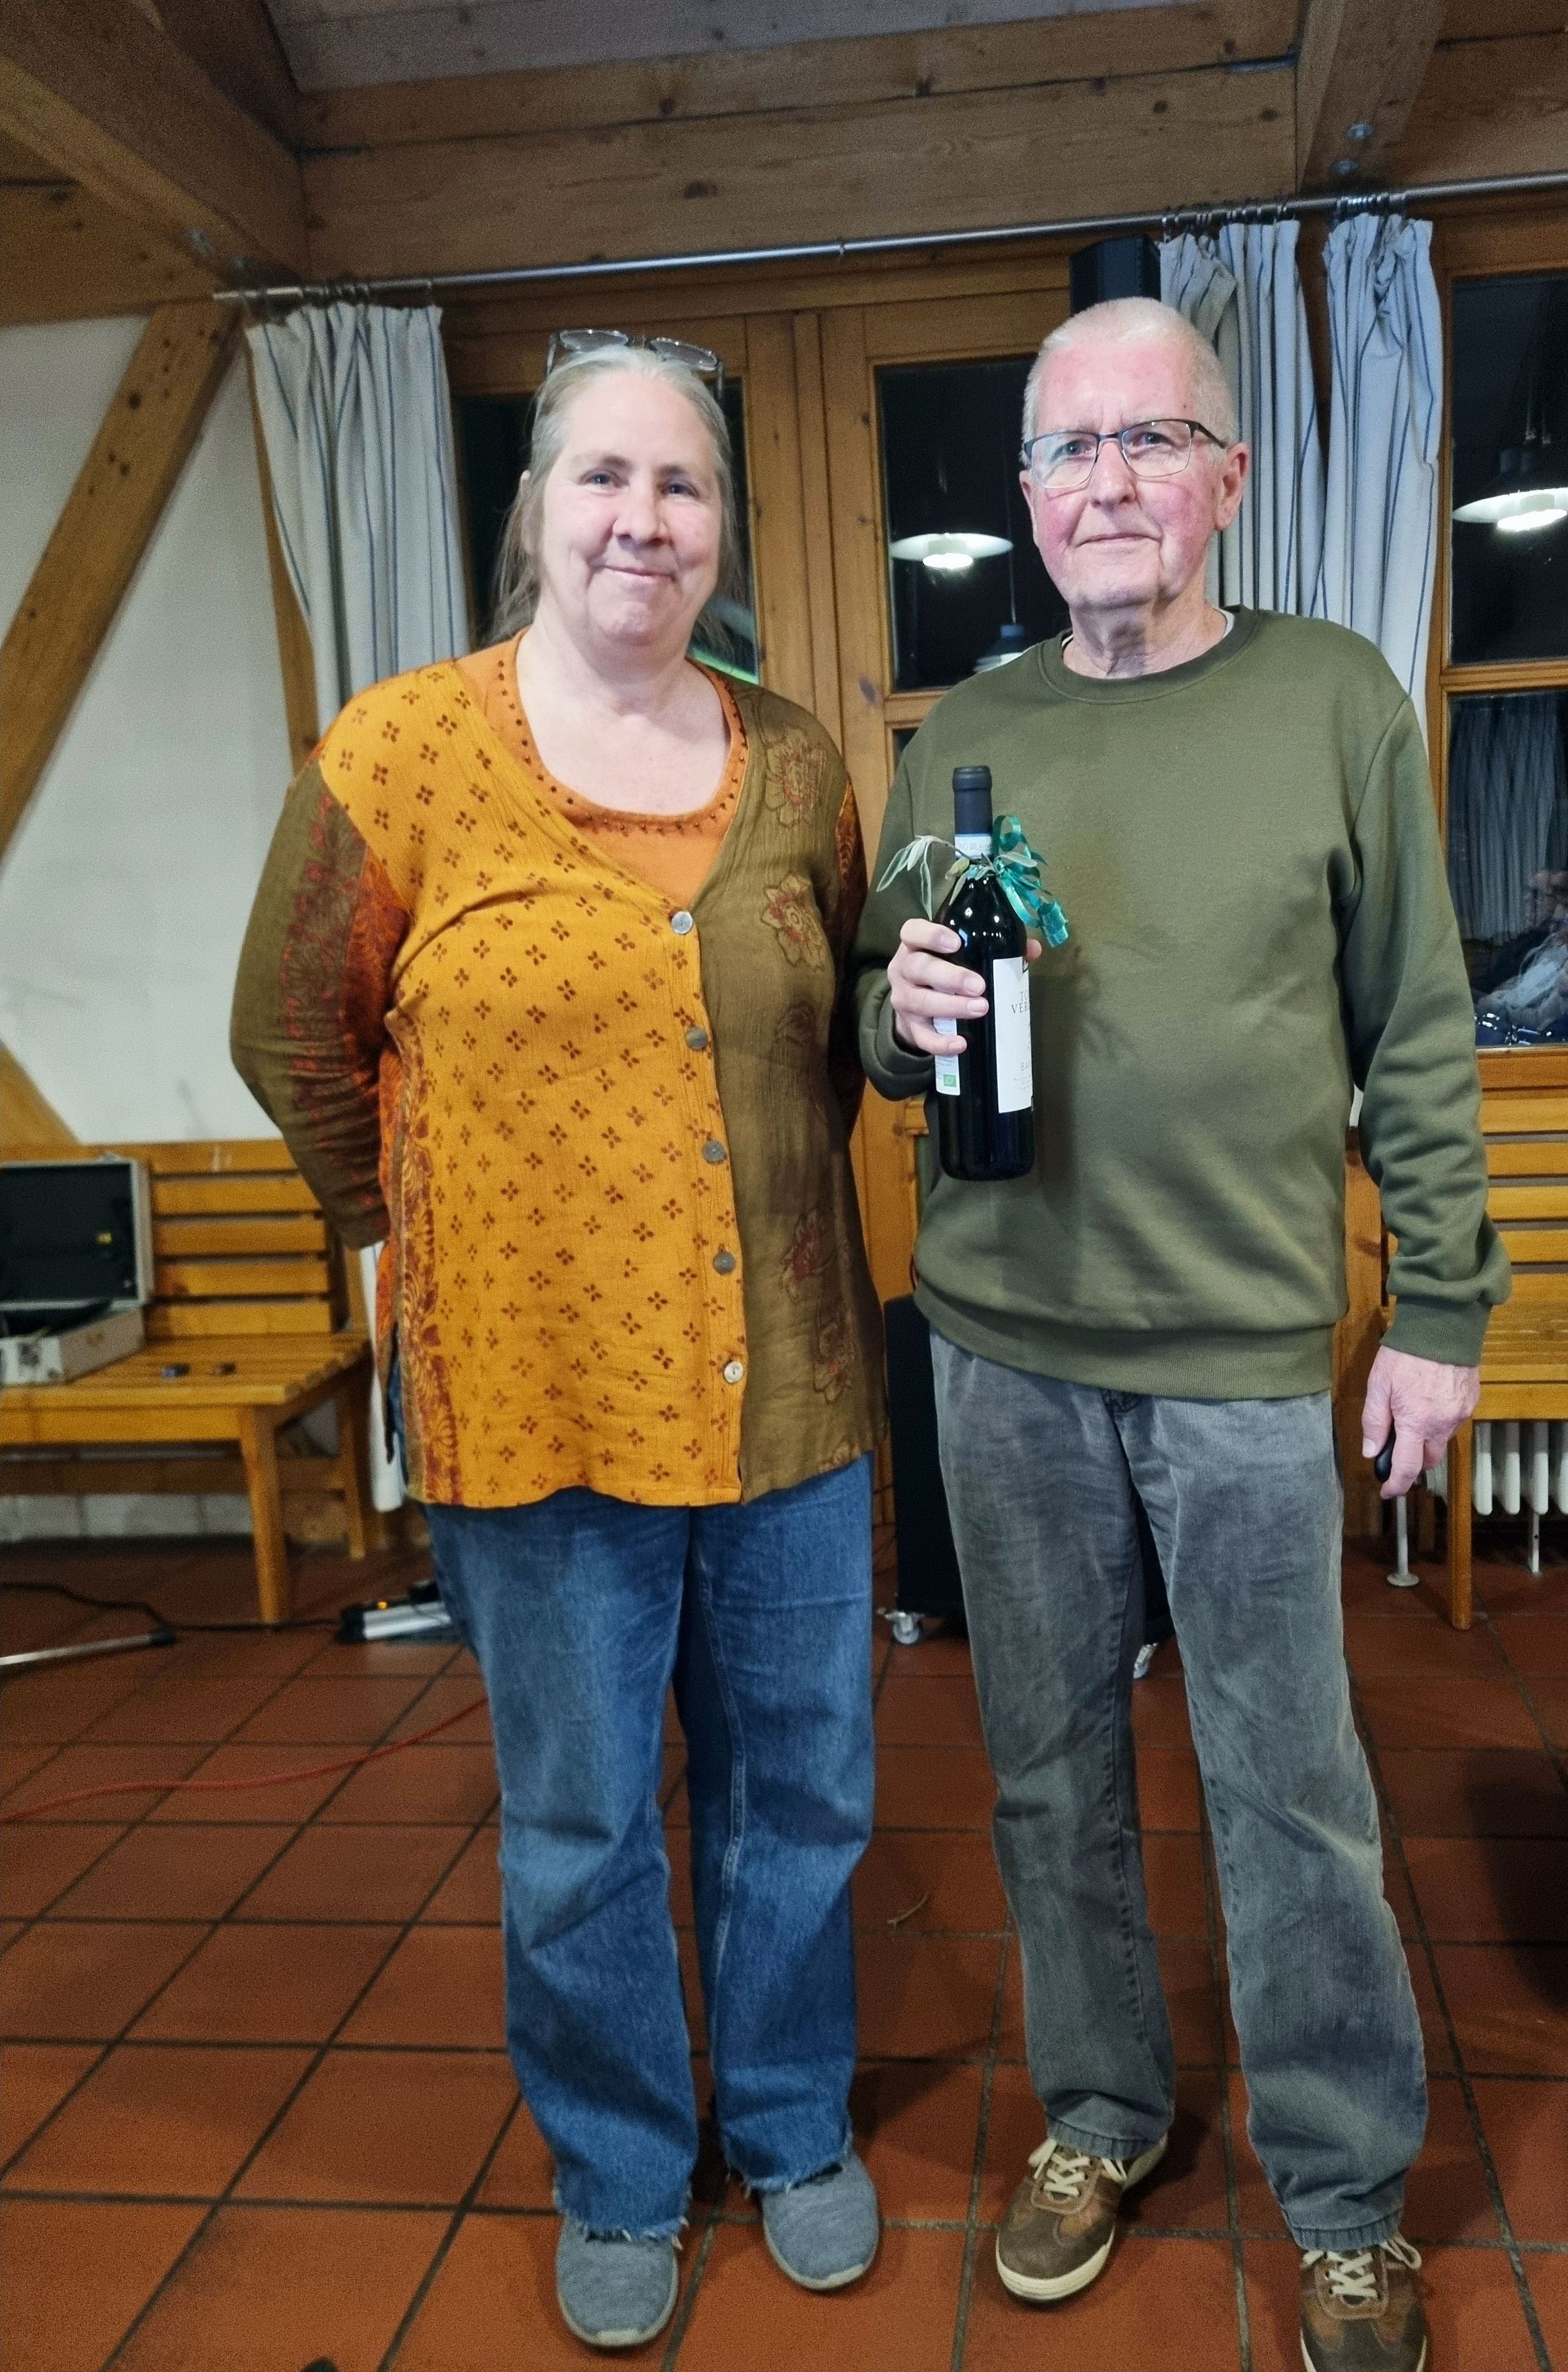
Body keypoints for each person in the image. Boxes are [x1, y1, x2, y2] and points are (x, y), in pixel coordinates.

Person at [853, 296, 1508, 2372]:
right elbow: (880, 1006)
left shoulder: (1330, 700)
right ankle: (1102, 2107)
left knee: (1286, 1786)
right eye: (1068, 448)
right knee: (1044, 1772)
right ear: (1026, 496)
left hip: (1236, 1354)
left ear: (1225, 476)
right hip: (998, 1345)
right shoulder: (965, 735)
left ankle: (1342, 2196)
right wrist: (900, 1015)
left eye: (1151, 440)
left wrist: (1442, 1303)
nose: (1108, 481)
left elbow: (1417, 1025)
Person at [232, 338, 887, 2351]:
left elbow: (824, 1044)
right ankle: (617, 2163)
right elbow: (291, 1029)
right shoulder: (401, 754)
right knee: (586, 1824)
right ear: (533, 509)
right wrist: (397, 1234)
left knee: (801, 1797)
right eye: (603, 476)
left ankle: (787, 2122)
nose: (641, 520)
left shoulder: (797, 766)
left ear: (721, 530)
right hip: (535, 1397)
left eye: (681, 485)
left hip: (785, 1390)